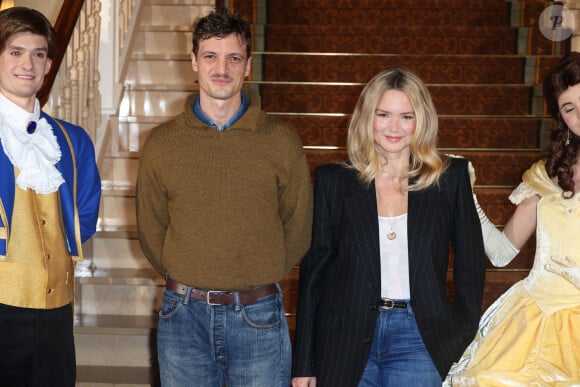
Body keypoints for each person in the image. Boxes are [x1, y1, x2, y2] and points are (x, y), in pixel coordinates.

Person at [135, 7, 313, 387]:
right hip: (182, 316)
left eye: (233, 58)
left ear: (247, 65)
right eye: (211, 56)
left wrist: (256, 270)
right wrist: (190, 269)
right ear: (194, 62)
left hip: (258, 315)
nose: (222, 68)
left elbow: (298, 225)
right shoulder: (162, 144)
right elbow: (151, 228)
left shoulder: (281, 140)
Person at [291, 67, 487, 387]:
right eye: (383, 114)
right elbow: (315, 274)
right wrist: (304, 362)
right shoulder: (333, 181)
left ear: (420, 120)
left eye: (406, 116)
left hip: (420, 337)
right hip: (343, 338)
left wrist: (462, 330)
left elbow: (471, 263)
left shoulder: (450, 178)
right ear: (367, 118)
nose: (394, 127)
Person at [444, 52, 580, 385]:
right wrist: (468, 197)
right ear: (562, 120)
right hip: (531, 317)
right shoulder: (546, 176)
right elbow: (501, 253)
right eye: (570, 108)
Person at [0, 6, 101, 387]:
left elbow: (85, 211)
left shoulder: (72, 140)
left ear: (47, 65)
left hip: (58, 311)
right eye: (15, 51)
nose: (28, 63)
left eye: (38, 54)